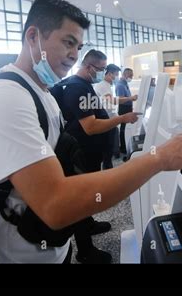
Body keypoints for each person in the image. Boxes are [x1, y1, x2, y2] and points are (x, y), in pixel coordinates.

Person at [0, 0, 182, 264]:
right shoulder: (6, 98)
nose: (74, 55)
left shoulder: (42, 93)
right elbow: (55, 203)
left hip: (51, 248)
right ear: (33, 36)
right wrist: (159, 158)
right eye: (68, 43)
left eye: (78, 47)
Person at [57, 50, 138, 263]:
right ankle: (85, 250)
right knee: (82, 198)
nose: (103, 74)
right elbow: (91, 126)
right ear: (89, 67)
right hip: (81, 153)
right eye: (101, 70)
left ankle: (89, 224)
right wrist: (121, 118)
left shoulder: (82, 85)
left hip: (89, 152)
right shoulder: (77, 88)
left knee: (89, 193)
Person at [94, 63, 122, 169]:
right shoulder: (103, 85)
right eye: (116, 74)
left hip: (110, 120)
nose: (116, 77)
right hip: (107, 121)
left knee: (109, 150)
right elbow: (112, 101)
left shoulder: (107, 85)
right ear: (110, 74)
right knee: (108, 150)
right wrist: (129, 99)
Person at [116, 68, 138, 158]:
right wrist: (131, 98)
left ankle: (126, 145)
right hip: (123, 108)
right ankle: (123, 148)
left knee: (126, 128)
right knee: (124, 129)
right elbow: (120, 99)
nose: (131, 77)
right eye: (130, 76)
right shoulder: (120, 85)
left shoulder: (125, 84)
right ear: (125, 75)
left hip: (127, 107)